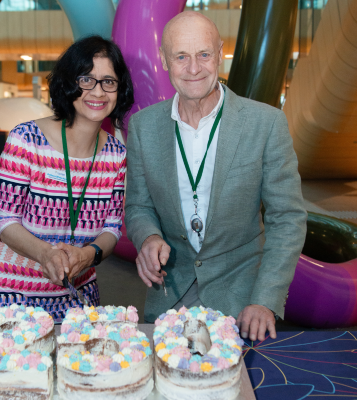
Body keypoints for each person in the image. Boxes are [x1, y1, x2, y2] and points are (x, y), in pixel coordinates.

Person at [124, 12, 307, 341]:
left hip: (241, 295)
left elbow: (288, 218)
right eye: (181, 56)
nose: (193, 68)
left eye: (203, 54)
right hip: (170, 294)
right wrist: (148, 238)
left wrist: (264, 300)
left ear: (220, 53)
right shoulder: (142, 127)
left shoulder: (266, 124)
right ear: (165, 60)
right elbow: (138, 205)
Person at [0, 35, 134, 322]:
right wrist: (47, 255)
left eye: (108, 81)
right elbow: (4, 218)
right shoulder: (26, 140)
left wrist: (89, 255)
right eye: (87, 79)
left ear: (119, 90)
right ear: (70, 83)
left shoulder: (116, 154)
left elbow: (112, 228)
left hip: (75, 286)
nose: (97, 92)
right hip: (8, 287)